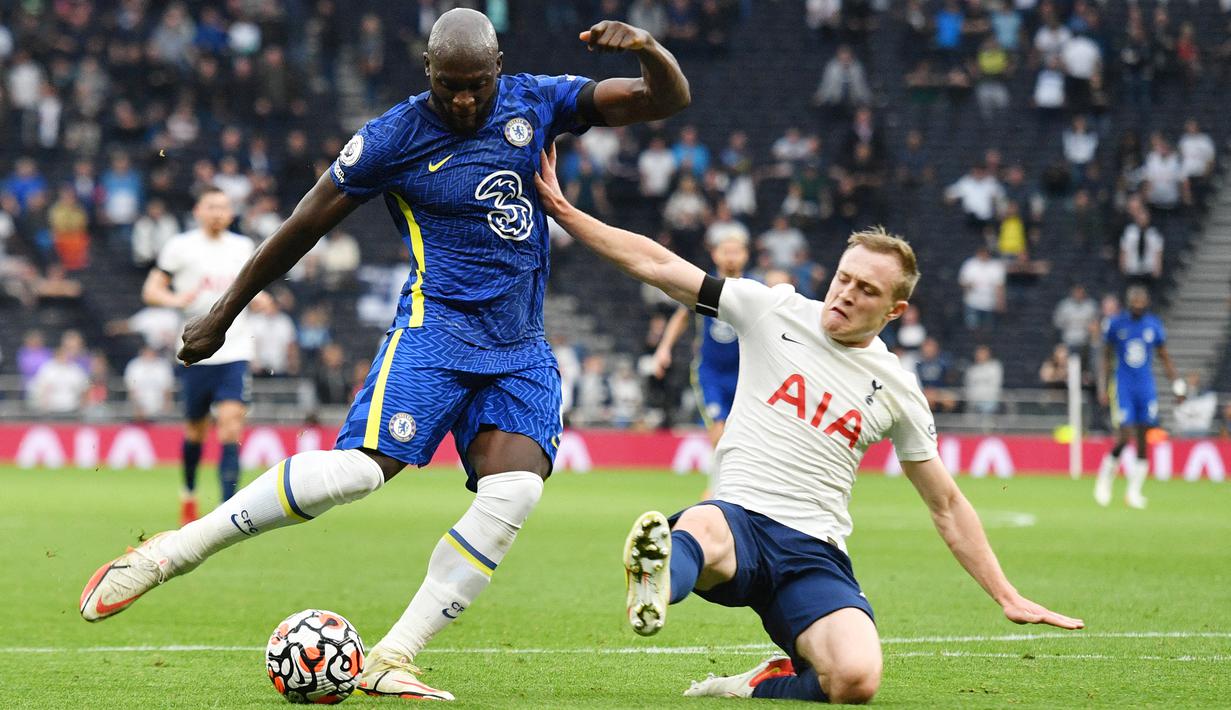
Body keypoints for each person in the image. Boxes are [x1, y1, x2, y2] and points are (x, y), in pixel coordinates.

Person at [78, 10, 689, 703]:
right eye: (450, 85)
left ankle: (392, 656)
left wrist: (646, 47)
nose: (464, 101)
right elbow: (304, 222)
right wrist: (223, 313)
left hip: (519, 347)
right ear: (426, 69)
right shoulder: (392, 138)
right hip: (435, 332)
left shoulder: (535, 99)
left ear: (498, 69)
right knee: (358, 475)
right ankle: (170, 553)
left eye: (477, 86)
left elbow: (662, 99)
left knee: (515, 489)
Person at [534, 145, 1082, 704]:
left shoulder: (898, 388)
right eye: (845, 278)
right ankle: (657, 581)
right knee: (700, 529)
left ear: (894, 310)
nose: (846, 294)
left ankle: (756, 685)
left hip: (814, 550)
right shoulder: (772, 310)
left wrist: (1006, 594)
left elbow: (946, 504)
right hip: (739, 518)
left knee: (856, 681)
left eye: (867, 290)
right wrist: (567, 213)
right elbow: (658, 265)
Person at [139, 187, 255, 525]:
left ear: (232, 213)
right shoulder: (181, 246)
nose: (218, 212)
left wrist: (260, 299)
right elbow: (151, 290)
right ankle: (189, 493)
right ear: (198, 210)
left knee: (231, 426)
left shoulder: (244, 248)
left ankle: (227, 511)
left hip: (235, 351)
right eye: (211, 206)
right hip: (195, 352)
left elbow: (253, 286)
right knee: (195, 432)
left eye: (224, 206)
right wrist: (176, 301)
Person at [653, 231, 749, 493]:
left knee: (742, 434)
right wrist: (664, 348)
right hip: (712, 372)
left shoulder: (753, 289)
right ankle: (715, 491)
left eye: (736, 251)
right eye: (725, 251)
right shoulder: (704, 285)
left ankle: (731, 490)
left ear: (745, 255)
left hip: (747, 375)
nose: (730, 256)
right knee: (718, 428)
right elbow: (682, 317)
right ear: (715, 254)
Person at [1094, 286, 1182, 509]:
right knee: (1124, 436)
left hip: (1145, 387)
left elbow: (1164, 357)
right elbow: (1105, 356)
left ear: (1147, 302)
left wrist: (1177, 385)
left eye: (1141, 301)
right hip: (1124, 386)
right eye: (1135, 301)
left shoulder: (1153, 325)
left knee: (1144, 440)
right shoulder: (1116, 324)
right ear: (1129, 302)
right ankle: (1104, 480)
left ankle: (1134, 492)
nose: (1138, 305)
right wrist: (1103, 386)